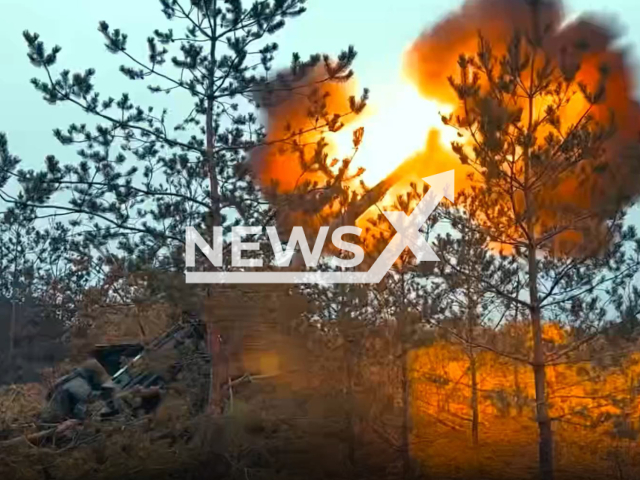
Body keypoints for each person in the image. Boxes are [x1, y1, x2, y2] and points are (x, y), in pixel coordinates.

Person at [41, 358, 119, 423]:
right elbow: (89, 399)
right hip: (55, 420)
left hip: (54, 415)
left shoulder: (72, 378)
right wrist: (106, 394)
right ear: (93, 374)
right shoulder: (79, 383)